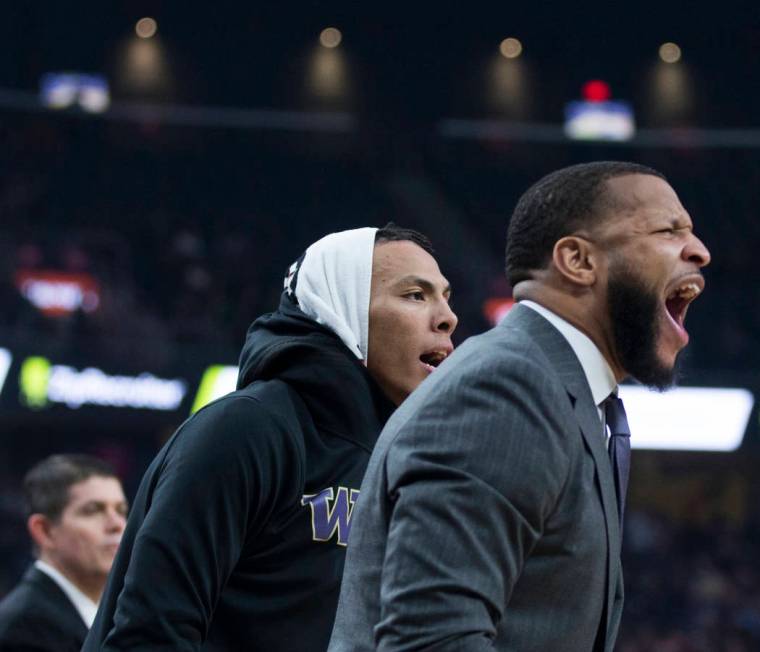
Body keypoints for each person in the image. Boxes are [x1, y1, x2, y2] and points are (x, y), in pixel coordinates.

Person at [328, 162, 711, 652]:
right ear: (577, 260)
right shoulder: (507, 388)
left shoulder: (564, 393)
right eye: (668, 230)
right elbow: (431, 641)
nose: (699, 249)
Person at [84, 224, 457, 651]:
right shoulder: (245, 431)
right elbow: (150, 633)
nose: (448, 317)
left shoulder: (407, 460)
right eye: (415, 295)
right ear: (342, 308)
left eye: (447, 297)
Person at [0, 454, 128, 652]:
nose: (117, 525)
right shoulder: (24, 628)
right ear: (45, 530)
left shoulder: (117, 613)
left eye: (121, 510)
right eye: (93, 510)